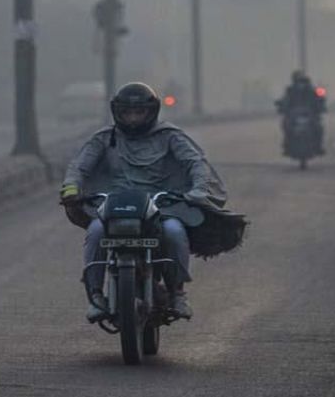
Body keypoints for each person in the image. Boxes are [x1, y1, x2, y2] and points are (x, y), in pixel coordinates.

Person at [60, 82, 233, 323]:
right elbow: (78, 167)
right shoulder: (104, 138)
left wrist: (198, 189)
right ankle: (96, 295)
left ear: (151, 112)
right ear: (117, 112)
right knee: (97, 230)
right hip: (115, 207)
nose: (132, 119)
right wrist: (71, 188)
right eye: (127, 113)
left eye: (138, 112)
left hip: (162, 205)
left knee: (174, 231)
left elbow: (196, 163)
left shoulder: (170, 136)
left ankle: (177, 292)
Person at [275, 70, 326, 154]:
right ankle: (287, 144)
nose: (300, 84)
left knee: (319, 128)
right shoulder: (289, 90)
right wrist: (281, 106)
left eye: (302, 81)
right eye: (298, 81)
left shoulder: (313, 90)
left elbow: (321, 96)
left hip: (310, 114)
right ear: (294, 81)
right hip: (294, 115)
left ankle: (318, 146)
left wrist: (321, 103)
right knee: (286, 126)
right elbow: (284, 101)